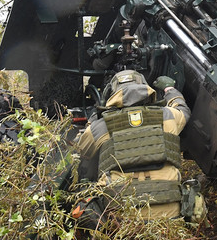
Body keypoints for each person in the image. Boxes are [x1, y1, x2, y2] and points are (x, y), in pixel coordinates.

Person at [72, 70, 205, 228]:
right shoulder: (167, 116)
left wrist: (93, 120)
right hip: (170, 217)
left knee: (84, 189)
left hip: (120, 222)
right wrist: (170, 89)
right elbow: (183, 110)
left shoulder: (102, 126)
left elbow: (81, 149)